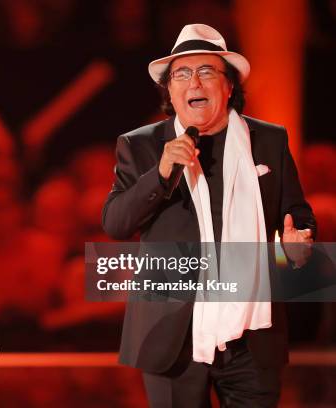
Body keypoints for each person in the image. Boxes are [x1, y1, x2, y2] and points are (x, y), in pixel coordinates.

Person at [102, 24, 316, 407]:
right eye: (181, 74)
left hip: (253, 335)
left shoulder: (269, 140)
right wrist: (162, 171)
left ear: (229, 85)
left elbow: (296, 217)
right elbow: (116, 223)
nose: (193, 82)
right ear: (169, 90)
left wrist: (295, 247)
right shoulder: (141, 145)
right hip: (172, 338)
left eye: (206, 72)